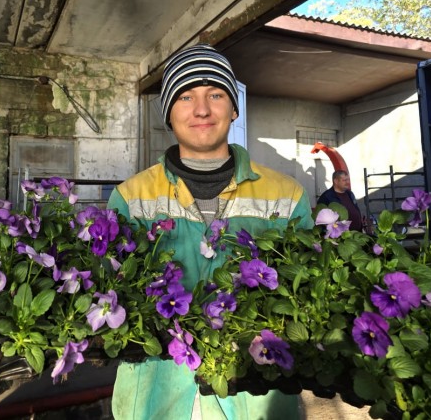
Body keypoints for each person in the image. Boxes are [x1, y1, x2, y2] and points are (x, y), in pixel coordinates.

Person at [106, 44, 314, 419]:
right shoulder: (129, 197)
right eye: (185, 96)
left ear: (234, 108)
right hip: (156, 392)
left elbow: (309, 292)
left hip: (255, 392)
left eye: (216, 94)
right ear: (169, 112)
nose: (201, 109)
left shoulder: (288, 195)